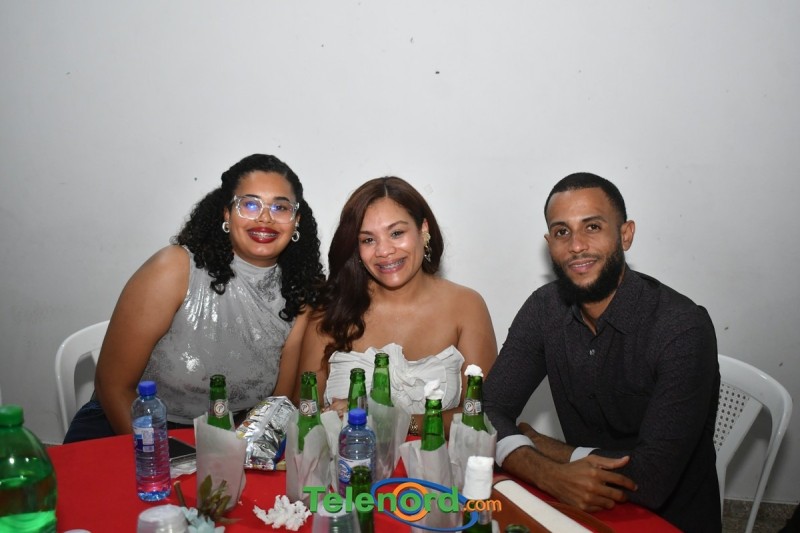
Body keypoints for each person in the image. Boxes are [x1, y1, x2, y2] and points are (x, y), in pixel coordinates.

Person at [483, 173, 720, 533]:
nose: (576, 245)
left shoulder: (681, 327)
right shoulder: (544, 309)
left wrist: (552, 450)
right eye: (562, 232)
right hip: (575, 508)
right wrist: (546, 472)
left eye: (592, 227)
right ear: (550, 244)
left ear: (625, 234)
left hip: (667, 520)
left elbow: (650, 479)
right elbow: (486, 408)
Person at [64, 154, 325, 442]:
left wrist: (238, 452)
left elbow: (275, 405)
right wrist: (159, 456)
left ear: (296, 220)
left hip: (226, 440)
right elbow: (112, 386)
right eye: (250, 204)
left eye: (280, 207)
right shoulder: (175, 268)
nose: (265, 218)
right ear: (227, 213)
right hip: (129, 427)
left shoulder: (297, 296)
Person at [295, 176, 497, 435]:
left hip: (438, 461)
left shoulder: (466, 306)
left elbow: (483, 411)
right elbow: (302, 410)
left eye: (396, 233)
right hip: (345, 458)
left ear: (423, 229)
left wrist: (393, 421)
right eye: (368, 240)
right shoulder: (330, 310)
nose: (384, 250)